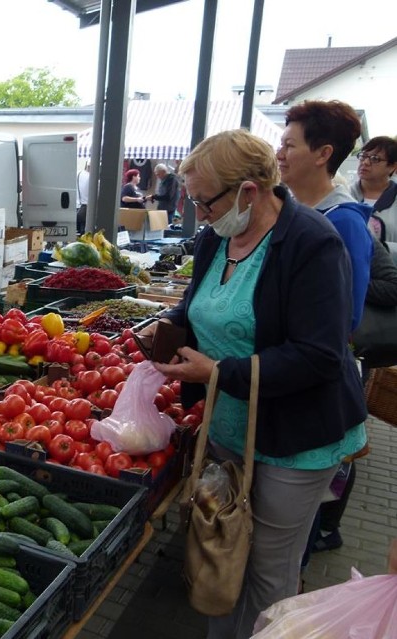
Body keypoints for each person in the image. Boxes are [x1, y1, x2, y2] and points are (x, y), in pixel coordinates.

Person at [140, 129, 367, 639]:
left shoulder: (313, 242)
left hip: (297, 439)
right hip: (230, 426)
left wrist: (218, 373)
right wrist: (168, 325)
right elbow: (199, 304)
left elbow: (320, 357)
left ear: (249, 190)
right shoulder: (215, 237)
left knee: (268, 569)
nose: (198, 212)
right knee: (223, 552)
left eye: (204, 200)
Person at [278, 100, 373, 331]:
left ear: (323, 154)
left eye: (289, 146)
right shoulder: (285, 210)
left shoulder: (345, 222)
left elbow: (346, 314)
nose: (279, 154)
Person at [349, 136, 397, 253]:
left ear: (392, 167)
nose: (365, 162)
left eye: (375, 159)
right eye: (363, 156)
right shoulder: (345, 196)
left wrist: (382, 249)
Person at [76, 162, 90, 235]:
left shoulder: (78, 173)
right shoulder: (91, 177)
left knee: (75, 231)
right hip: (85, 208)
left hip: (76, 206)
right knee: (83, 231)